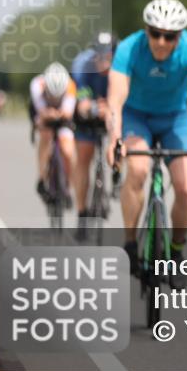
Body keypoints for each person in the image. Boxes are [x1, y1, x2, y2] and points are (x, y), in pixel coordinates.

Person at [105, 0, 187, 290]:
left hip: (174, 119)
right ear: (146, 30)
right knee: (138, 170)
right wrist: (115, 139)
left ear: (180, 36)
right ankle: (130, 242)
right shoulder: (129, 49)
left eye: (170, 36)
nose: (162, 42)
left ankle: (176, 252)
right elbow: (115, 100)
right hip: (136, 116)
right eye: (155, 33)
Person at [71, 32, 118, 240]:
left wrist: (110, 109)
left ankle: (118, 175)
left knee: (125, 136)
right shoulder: (83, 66)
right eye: (98, 55)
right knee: (83, 158)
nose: (102, 60)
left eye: (108, 56)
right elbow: (81, 105)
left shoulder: (122, 68)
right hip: (88, 114)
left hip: (113, 112)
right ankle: (82, 214)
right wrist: (92, 108)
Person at [29, 63, 77, 203]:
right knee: (45, 135)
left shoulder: (71, 86)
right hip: (41, 112)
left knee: (68, 151)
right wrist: (48, 115)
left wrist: (58, 114)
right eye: (52, 95)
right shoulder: (37, 85)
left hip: (62, 115)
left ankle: (67, 186)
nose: (55, 98)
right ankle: (42, 177)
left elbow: (68, 113)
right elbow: (42, 112)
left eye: (58, 96)